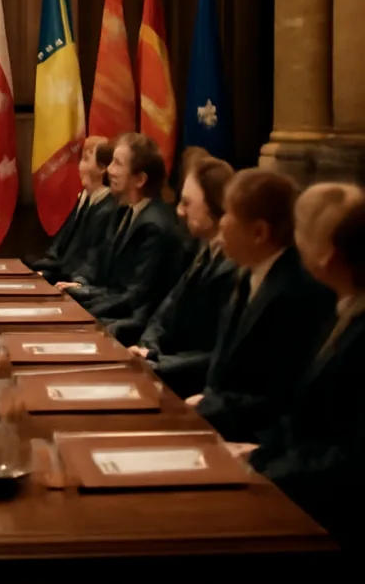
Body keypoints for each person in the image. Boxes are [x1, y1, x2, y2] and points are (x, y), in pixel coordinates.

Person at [229, 186, 365, 547]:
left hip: (331, 519)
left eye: (301, 231)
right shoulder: (341, 305)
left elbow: (350, 453)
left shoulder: (330, 310)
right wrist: (258, 454)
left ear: (328, 255)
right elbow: (300, 412)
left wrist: (268, 475)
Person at [187, 168, 332, 442]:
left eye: (229, 214)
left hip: (254, 441)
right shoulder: (248, 271)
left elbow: (279, 394)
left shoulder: (295, 292)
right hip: (216, 424)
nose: (221, 223)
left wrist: (210, 407)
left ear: (259, 232)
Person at [126, 157, 238, 394]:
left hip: (193, 388)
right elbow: (166, 311)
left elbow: (218, 353)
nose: (179, 211)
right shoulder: (201, 249)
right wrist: (147, 346)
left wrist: (159, 363)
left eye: (187, 203)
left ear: (214, 205)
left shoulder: (234, 266)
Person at [61, 133, 183, 328]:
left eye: (117, 164)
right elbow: (103, 273)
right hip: (109, 310)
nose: (109, 170)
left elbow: (134, 296)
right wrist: (81, 289)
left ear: (140, 179)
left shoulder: (154, 226)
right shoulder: (123, 212)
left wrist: (82, 307)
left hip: (129, 325)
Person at [29, 137, 117, 283]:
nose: (79, 166)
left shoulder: (107, 209)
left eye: (86, 159)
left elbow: (84, 260)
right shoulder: (85, 199)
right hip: (62, 275)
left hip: (75, 282)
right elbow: (60, 247)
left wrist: (47, 274)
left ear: (102, 168)